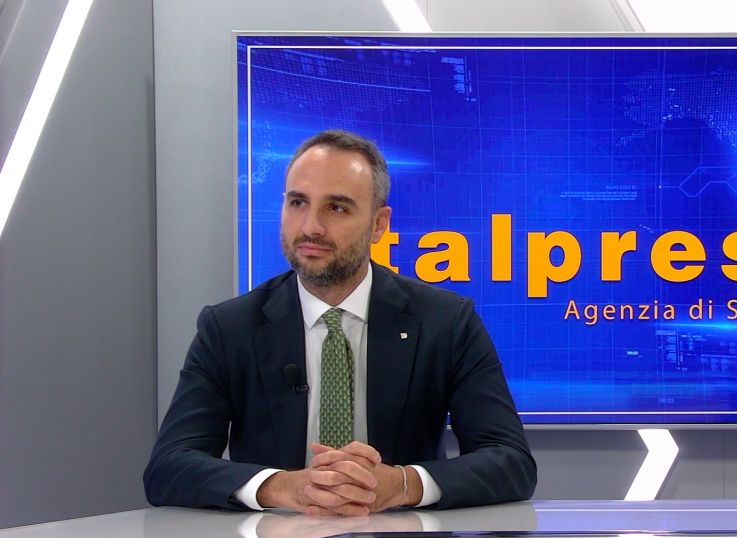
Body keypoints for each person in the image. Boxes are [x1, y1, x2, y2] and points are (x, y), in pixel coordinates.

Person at [144, 129, 536, 515]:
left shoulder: (446, 322)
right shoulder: (229, 328)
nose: (310, 227)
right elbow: (168, 467)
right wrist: (281, 487)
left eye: (336, 208)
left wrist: (401, 485)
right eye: (298, 202)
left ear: (379, 224)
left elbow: (511, 461)